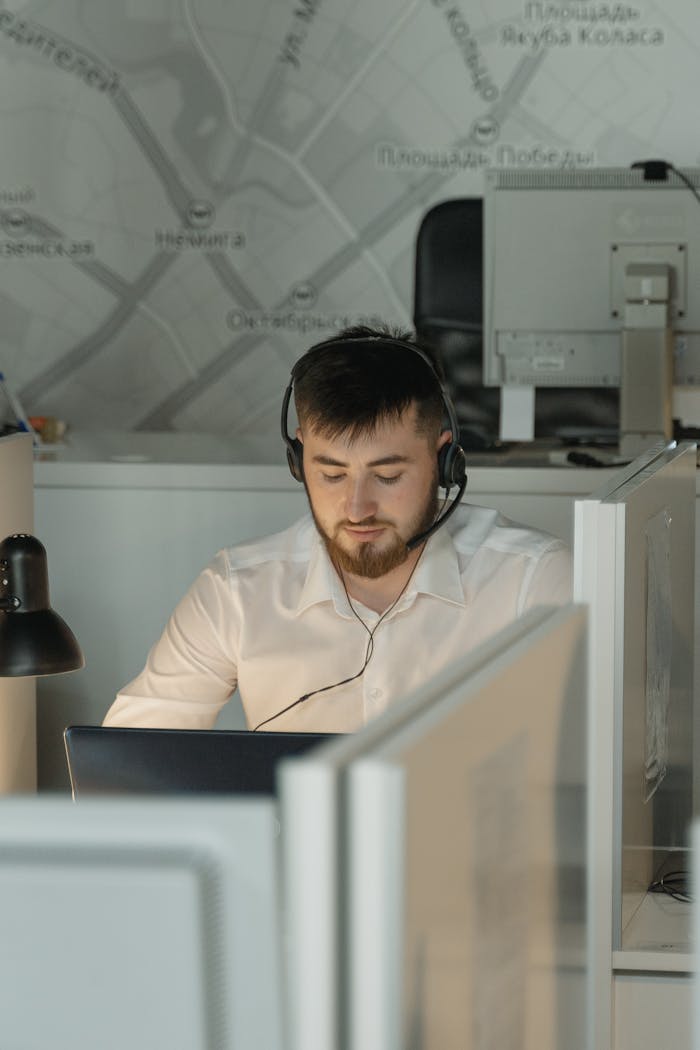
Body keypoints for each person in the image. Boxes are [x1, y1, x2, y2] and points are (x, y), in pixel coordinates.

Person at [103, 325, 571, 733]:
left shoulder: (536, 584)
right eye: (331, 474)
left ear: (443, 460)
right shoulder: (237, 591)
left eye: (387, 476)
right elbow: (128, 760)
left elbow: (603, 766)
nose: (357, 508)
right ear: (297, 459)